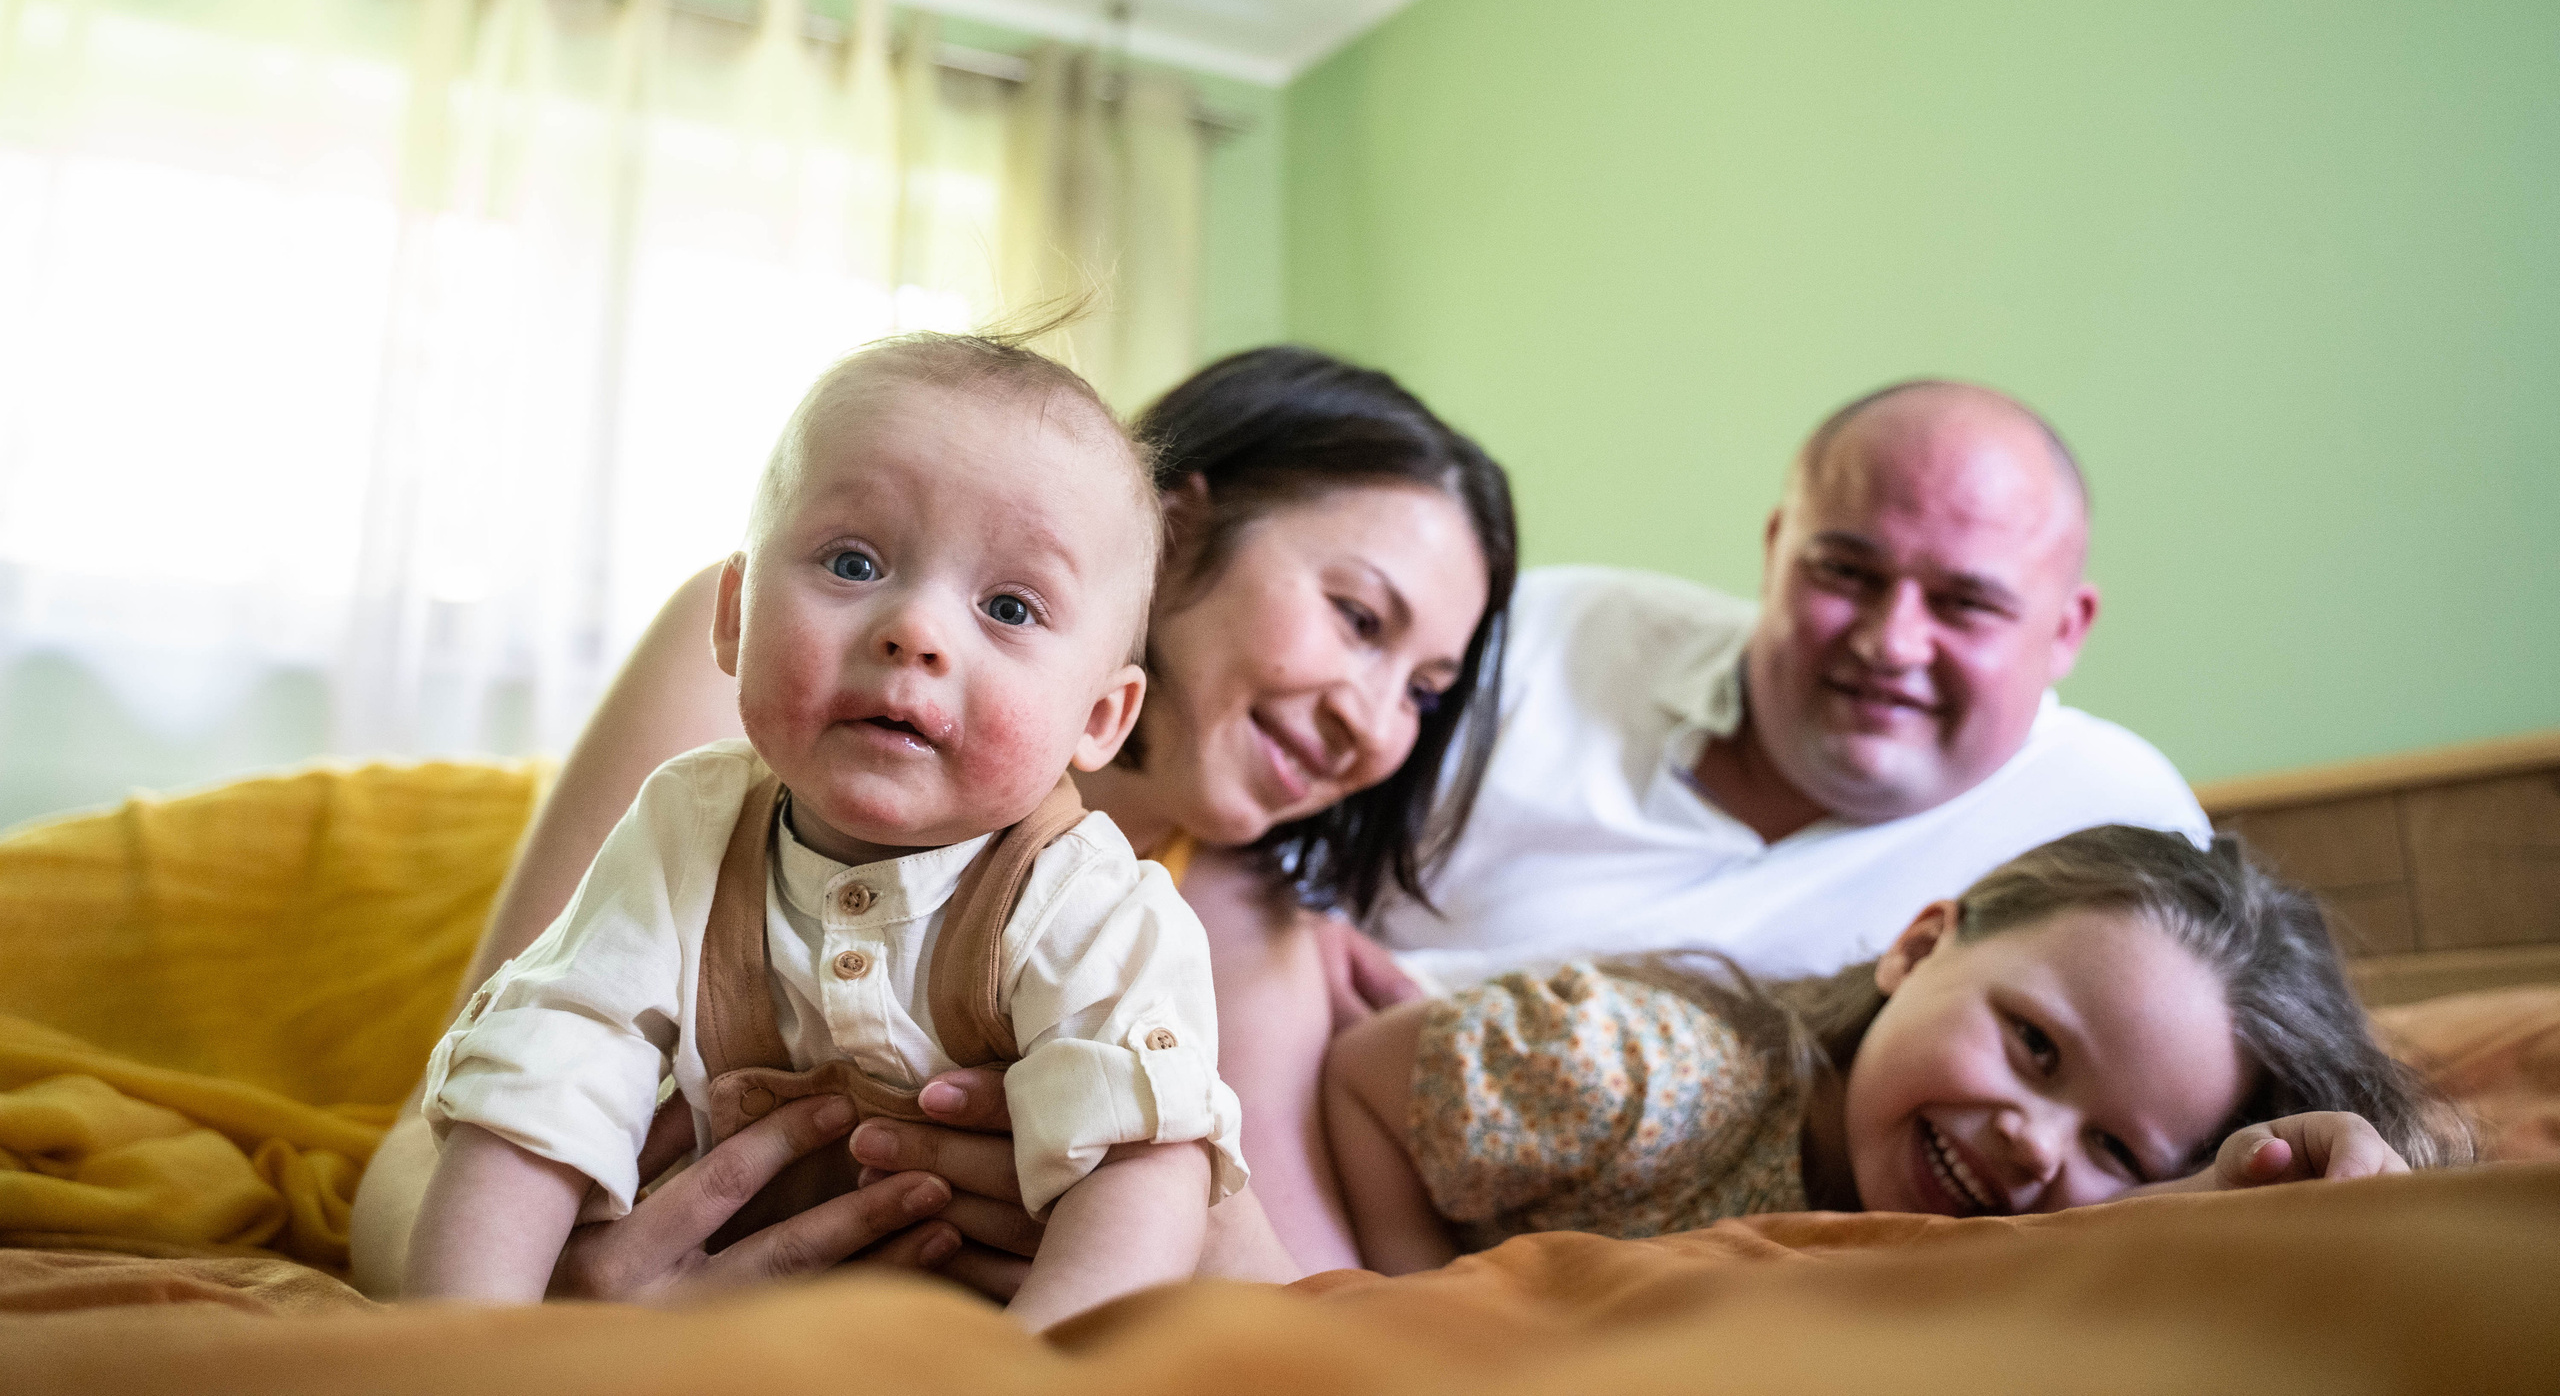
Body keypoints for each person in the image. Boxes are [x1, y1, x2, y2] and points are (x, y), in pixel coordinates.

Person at [348, 344, 1517, 1298]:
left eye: (1424, 689)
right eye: (1359, 619)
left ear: (1107, 707)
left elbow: (1281, 1294)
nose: (1373, 724)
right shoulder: (757, 714)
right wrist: (549, 1300)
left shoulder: (1226, 912)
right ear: (1182, 533)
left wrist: (1131, 1234)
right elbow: (459, 1120)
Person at [1369, 379, 2210, 994]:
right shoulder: (1545, 640)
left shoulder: (2116, 828)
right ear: (1775, 550)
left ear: (2067, 628)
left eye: (1965, 603)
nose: (1892, 642)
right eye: (1846, 571)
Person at [1322, 826, 2465, 1273]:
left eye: (2116, 1146)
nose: (2033, 1142)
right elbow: (1367, 1077)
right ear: (1919, 948)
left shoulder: (2020, 1260)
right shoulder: (1637, 1074)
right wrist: (1426, 1294)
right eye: (2031, 1046)